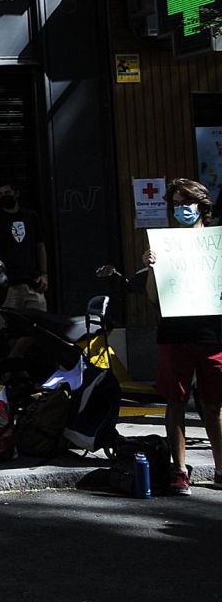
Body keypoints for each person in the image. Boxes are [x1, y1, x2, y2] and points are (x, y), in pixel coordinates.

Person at [139, 178, 222, 495]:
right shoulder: (165, 245)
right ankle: (179, 470)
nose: (180, 209)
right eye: (174, 204)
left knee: (214, 406)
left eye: (185, 203)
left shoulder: (217, 241)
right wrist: (151, 268)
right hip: (174, 334)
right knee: (175, 402)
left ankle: (220, 469)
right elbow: (152, 297)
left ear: (202, 206)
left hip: (213, 335)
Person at [0, 180, 48, 310]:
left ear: (16, 193)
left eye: (7, 192)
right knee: (8, 326)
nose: (4, 196)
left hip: (32, 282)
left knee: (38, 324)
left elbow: (40, 246)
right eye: (1, 194)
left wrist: (44, 274)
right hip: (8, 285)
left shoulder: (30, 216)